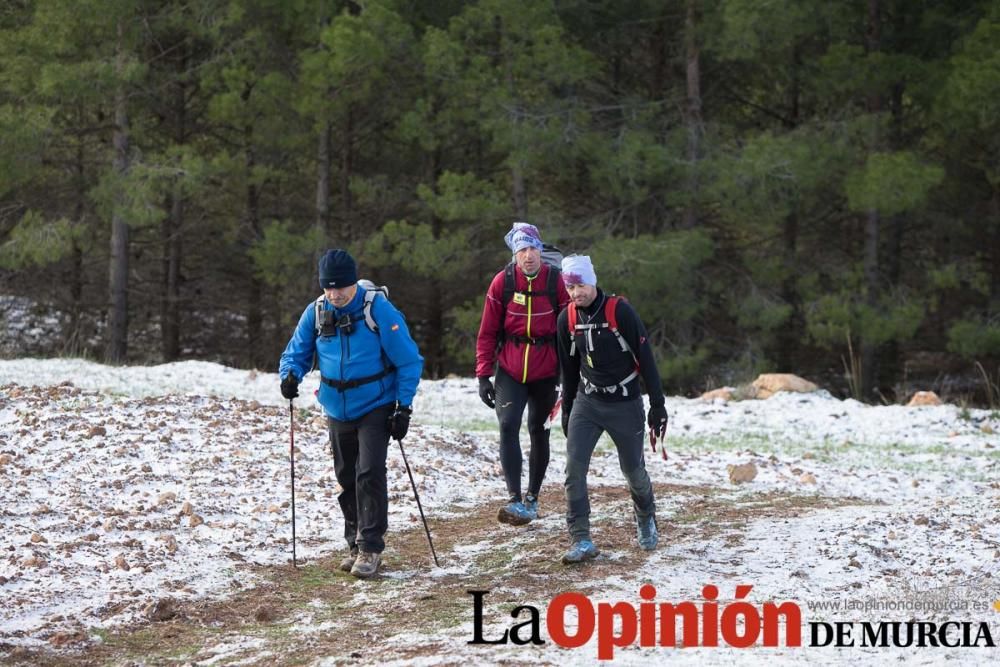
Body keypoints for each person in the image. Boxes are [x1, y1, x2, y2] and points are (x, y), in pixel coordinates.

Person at [278, 249, 423, 579]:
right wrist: (289, 375)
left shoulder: (378, 309)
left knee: (369, 471)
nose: (334, 294)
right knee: (346, 476)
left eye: (340, 287)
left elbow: (409, 360)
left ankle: (371, 547)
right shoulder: (316, 312)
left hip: (376, 403)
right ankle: (355, 543)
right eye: (328, 288)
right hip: (336, 405)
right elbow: (296, 353)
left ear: (353, 282)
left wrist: (403, 406)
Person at [556, 255, 668, 564]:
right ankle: (580, 539)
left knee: (633, 471)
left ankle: (645, 516)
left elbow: (646, 359)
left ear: (592, 281)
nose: (576, 293)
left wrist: (657, 406)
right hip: (587, 402)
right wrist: (567, 409)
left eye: (580, 285)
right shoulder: (566, 319)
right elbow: (568, 368)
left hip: (625, 403)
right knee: (574, 470)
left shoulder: (619, 311)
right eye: (570, 287)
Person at [475, 222, 570, 525]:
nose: (528, 256)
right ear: (514, 254)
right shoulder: (502, 283)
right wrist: (483, 375)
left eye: (533, 248)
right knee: (507, 426)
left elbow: (571, 330)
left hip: (546, 370)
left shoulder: (556, 282)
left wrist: (571, 375)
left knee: (538, 430)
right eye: (522, 250)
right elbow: (487, 332)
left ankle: (532, 497)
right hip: (511, 368)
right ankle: (514, 498)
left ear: (540, 250)